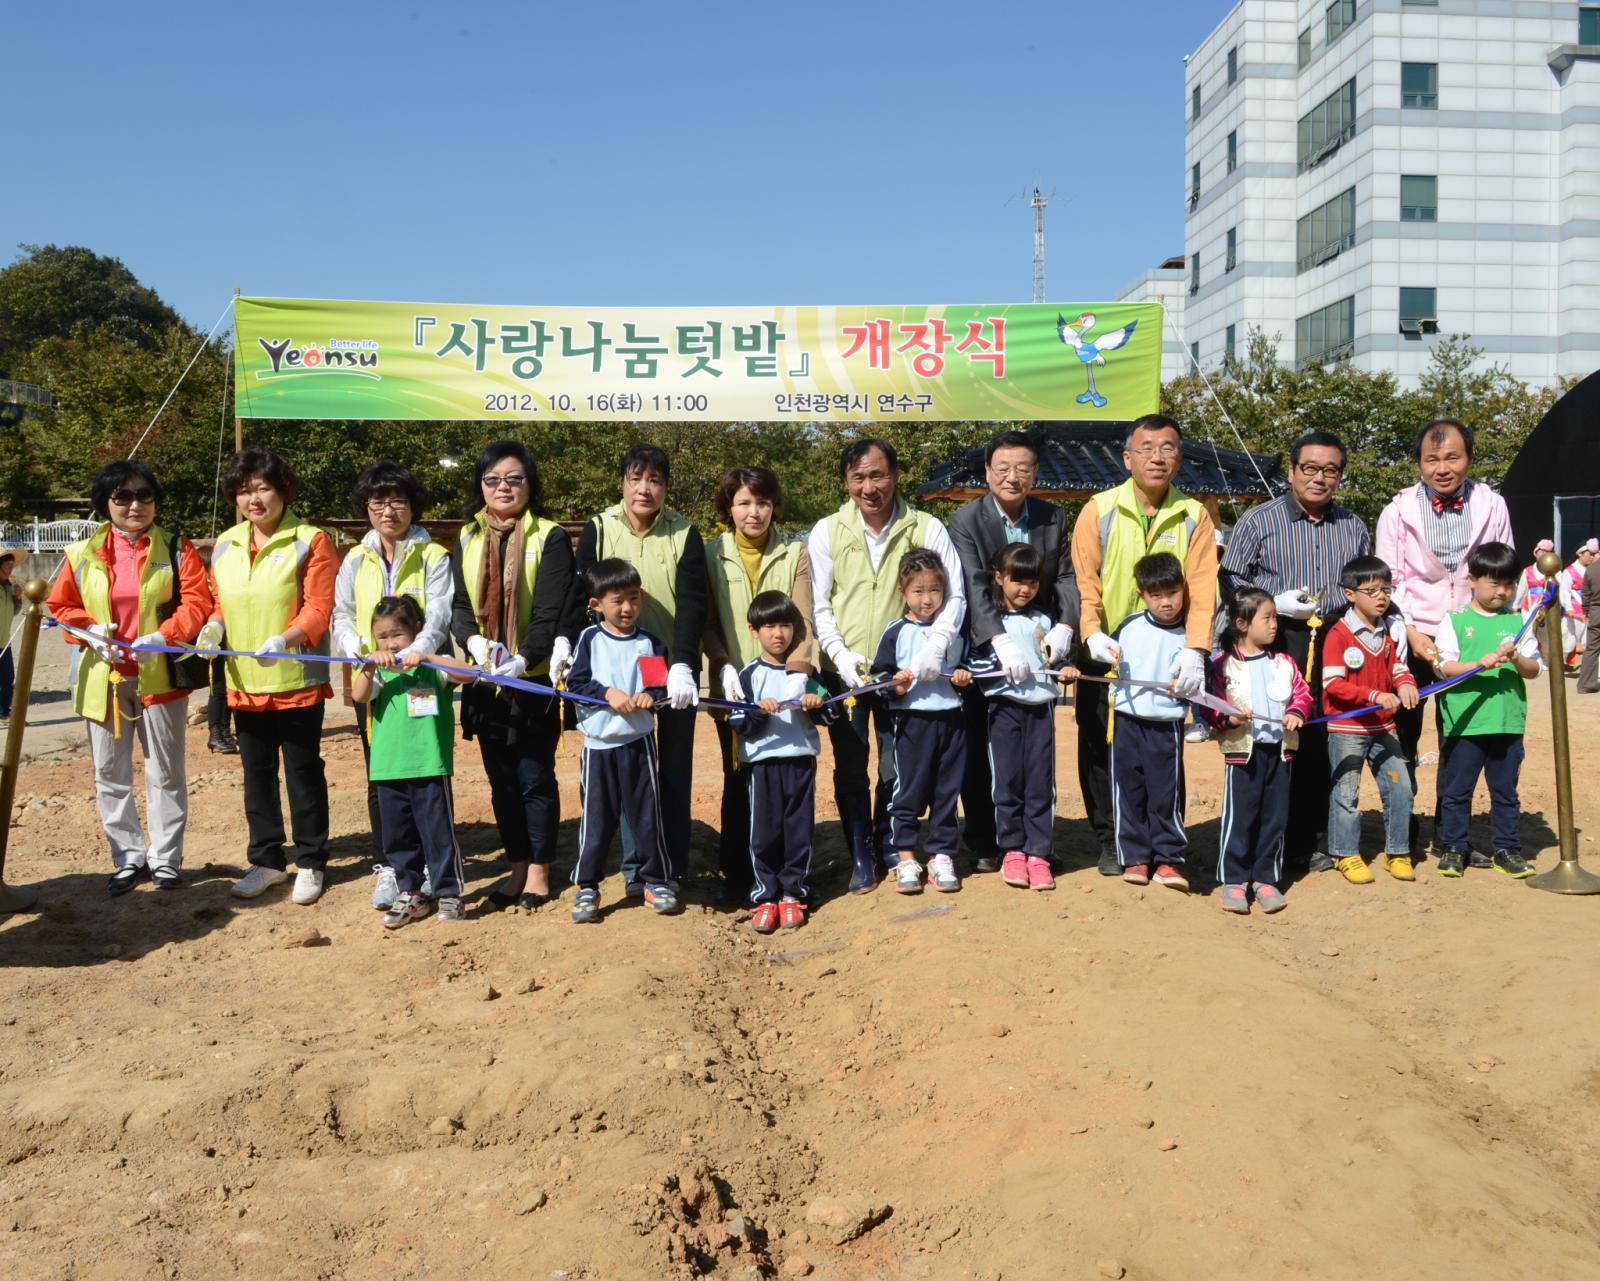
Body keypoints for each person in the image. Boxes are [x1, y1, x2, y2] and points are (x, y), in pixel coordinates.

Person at [46, 460, 213, 894]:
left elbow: (197, 602)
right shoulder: (81, 553)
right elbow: (60, 607)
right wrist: (88, 629)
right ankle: (127, 856)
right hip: (103, 678)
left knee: (167, 770)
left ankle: (166, 859)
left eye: (144, 495)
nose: (135, 504)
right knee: (110, 771)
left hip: (160, 677)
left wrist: (166, 634)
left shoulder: (177, 548)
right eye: (123, 496)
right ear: (106, 503)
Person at [808, 437, 966, 893]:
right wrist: (839, 655)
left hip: (909, 675)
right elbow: (819, 605)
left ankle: (893, 846)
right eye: (858, 477)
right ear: (846, 481)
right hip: (851, 671)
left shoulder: (925, 527)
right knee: (852, 764)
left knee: (897, 768)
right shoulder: (827, 531)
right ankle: (862, 852)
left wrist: (931, 651)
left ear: (895, 476)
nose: (869, 486)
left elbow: (952, 595)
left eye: (878, 475)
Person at [1219, 429, 1370, 876]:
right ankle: (1277, 839)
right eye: (1310, 468)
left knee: (1327, 735)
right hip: (1279, 641)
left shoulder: (1353, 525)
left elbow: (1363, 584)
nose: (1320, 478)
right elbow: (1231, 580)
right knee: (1282, 739)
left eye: (1330, 470)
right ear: (1291, 471)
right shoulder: (1258, 521)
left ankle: (1318, 836)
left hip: (1337, 642)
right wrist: (1272, 600)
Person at [1073, 415, 1217, 877]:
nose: (1158, 457)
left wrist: (1196, 650)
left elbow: (1203, 586)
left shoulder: (1194, 515)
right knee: (1101, 745)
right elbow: (1084, 581)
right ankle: (1112, 838)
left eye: (1169, 447)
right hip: (1107, 650)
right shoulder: (1099, 509)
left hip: (1167, 654)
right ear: (1127, 458)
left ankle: (1164, 843)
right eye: (1147, 447)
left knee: (1162, 748)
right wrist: (1091, 630)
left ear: (1180, 456)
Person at [567, 443, 708, 889]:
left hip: (665, 665)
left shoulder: (684, 532)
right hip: (615, 666)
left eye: (655, 480)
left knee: (672, 767)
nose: (644, 489)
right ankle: (634, 867)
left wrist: (684, 664)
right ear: (623, 483)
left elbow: (691, 604)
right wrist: (566, 644)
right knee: (628, 761)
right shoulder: (599, 527)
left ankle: (671, 865)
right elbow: (581, 594)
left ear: (666, 487)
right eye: (635, 479)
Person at [207, 448, 338, 904]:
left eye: (263, 487)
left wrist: (286, 638)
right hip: (244, 682)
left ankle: (310, 861)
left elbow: (320, 606)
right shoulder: (225, 543)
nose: (254, 499)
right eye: (244, 491)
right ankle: (266, 859)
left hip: (296, 679)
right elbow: (221, 599)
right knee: (256, 774)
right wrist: (214, 625)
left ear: (283, 490)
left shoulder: (311, 539)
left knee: (303, 773)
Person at [1374, 419, 1512, 849]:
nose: (1442, 468)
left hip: (1471, 636)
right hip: (1414, 635)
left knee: (1462, 733)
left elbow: (1505, 568)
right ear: (1419, 462)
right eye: (1431, 459)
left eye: (1452, 457)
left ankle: (1452, 833)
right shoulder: (1398, 511)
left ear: (1469, 457)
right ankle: (1404, 823)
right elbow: (1390, 577)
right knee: (1405, 732)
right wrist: (1412, 631)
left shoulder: (1493, 505)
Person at [946, 430, 1078, 873]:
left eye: (1023, 468)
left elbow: (1063, 577)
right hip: (983, 648)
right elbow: (973, 582)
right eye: (1002, 468)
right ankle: (988, 840)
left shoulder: (1052, 516)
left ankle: (1035, 842)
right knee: (983, 751)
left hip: (1038, 646)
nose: (1012, 476)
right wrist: (996, 639)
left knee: (1035, 754)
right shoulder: (965, 519)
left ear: (1035, 472)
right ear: (987, 472)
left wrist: (1064, 625)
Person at [450, 441, 574, 909]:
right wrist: (474, 643)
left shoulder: (551, 536)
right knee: (500, 778)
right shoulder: (467, 535)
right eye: (493, 480)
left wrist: (523, 661)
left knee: (533, 776)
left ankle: (541, 869)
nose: (503, 488)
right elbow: (459, 607)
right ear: (481, 485)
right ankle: (517, 864)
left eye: (514, 479)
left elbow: (549, 611)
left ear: (530, 484)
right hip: (484, 679)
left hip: (532, 678)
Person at [332, 461, 453, 910]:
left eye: (398, 499)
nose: (388, 510)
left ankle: (431, 867)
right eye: (378, 500)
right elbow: (341, 613)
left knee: (425, 776)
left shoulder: (434, 555)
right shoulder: (354, 558)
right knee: (380, 774)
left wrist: (416, 650)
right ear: (366, 507)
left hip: (419, 677)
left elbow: (439, 612)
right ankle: (393, 867)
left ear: (412, 506)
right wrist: (359, 653)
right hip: (374, 680)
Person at [702, 465, 816, 907]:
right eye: (744, 503)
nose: (754, 512)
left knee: (783, 786)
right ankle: (739, 874)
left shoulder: (795, 552)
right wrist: (724, 665)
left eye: (763, 502)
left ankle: (789, 879)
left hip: (784, 685)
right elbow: (709, 623)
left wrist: (799, 670)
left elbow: (803, 615)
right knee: (738, 779)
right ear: (729, 508)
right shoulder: (712, 553)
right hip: (736, 687)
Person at [563, 558, 678, 922]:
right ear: (596, 604)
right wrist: (609, 692)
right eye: (617, 600)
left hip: (639, 745)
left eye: (633, 598)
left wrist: (649, 694)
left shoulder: (650, 643)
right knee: (596, 821)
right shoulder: (589, 639)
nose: (627, 608)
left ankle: (656, 880)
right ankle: (587, 887)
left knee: (646, 817)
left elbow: (659, 686)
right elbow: (576, 684)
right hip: (598, 749)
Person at [350, 596, 476, 927]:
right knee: (398, 835)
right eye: (383, 637)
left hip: (429, 766)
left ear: (415, 630)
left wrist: (429, 656)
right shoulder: (379, 671)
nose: (390, 643)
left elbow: (471, 674)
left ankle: (450, 893)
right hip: (388, 768)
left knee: (437, 833)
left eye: (397, 635)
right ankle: (410, 892)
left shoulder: (434, 666)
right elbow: (358, 695)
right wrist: (368, 664)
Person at [966, 544, 1079, 892]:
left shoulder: (1045, 621)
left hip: (1041, 712)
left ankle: (1040, 852)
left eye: (1032, 582)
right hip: (1003, 711)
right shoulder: (989, 624)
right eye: (1017, 580)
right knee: (1007, 781)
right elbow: (974, 664)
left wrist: (1065, 668)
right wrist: (998, 668)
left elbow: (1052, 661)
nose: (1024, 589)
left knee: (1040, 782)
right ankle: (1012, 850)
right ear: (999, 578)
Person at [725, 591, 837, 933]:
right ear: (753, 630)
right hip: (763, 768)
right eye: (770, 626)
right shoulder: (748, 675)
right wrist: (758, 712)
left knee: (798, 829)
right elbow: (737, 723)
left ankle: (794, 893)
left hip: (800, 763)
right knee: (764, 833)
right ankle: (765, 895)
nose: (778, 634)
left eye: (786, 625)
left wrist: (815, 705)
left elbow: (832, 713)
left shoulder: (805, 671)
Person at [1432, 543, 1541, 879]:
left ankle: (1507, 848)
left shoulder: (1519, 620)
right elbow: (1442, 665)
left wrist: (1517, 658)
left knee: (1505, 791)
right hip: (1466, 721)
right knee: (1457, 790)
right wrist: (1476, 664)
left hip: (1507, 721)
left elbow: (1535, 668)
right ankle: (1454, 846)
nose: (1503, 591)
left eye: (1509, 584)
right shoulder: (1455, 620)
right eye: (1495, 583)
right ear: (1473, 580)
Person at [870, 549, 973, 895]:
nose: (927, 599)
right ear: (903, 593)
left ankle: (941, 854)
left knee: (947, 792)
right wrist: (895, 685)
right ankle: (906, 856)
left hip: (952, 722)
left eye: (934, 590)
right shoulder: (896, 631)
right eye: (918, 591)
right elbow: (879, 677)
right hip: (911, 725)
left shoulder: (954, 630)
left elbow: (972, 667)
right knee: (909, 791)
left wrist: (963, 676)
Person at [1207, 589, 1312, 914]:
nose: (1273, 625)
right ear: (1242, 623)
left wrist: (1296, 712)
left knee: (1274, 818)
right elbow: (1211, 705)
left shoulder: (1284, 663)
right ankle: (1234, 880)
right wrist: (1228, 716)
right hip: (1243, 756)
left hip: (1280, 754)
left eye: (1274, 618)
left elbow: (1302, 693)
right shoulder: (1224, 666)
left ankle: (1266, 878)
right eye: (1266, 618)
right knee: (1241, 818)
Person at [1321, 556, 1419, 885]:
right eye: (1372, 590)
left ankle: (1399, 852)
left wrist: (1406, 684)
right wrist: (1375, 696)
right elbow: (1332, 685)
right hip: (1346, 729)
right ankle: (1345, 854)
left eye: (1386, 589)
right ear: (1350, 594)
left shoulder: (1387, 631)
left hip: (1383, 728)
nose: (1382, 596)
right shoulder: (1338, 634)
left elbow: (1397, 668)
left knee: (1400, 786)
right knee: (1346, 793)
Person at [1103, 552, 1193, 892]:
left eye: (1172, 593)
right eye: (1156, 595)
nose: (1166, 602)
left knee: (1164, 794)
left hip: (1166, 725)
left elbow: (1201, 678)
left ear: (1183, 589)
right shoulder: (1129, 627)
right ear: (1142, 594)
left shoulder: (1190, 632)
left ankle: (1169, 859)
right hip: (1126, 722)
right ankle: (1135, 856)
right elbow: (1109, 663)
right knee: (1129, 791)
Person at [0, 551, 19, 724]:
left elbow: (14, 612)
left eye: (12, 564)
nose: (11, 568)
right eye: (8, 564)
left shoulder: (8, 586)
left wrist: (18, 598)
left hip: (4, 640)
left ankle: (4, 711)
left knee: (7, 679)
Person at [1581, 549, 1600, 694]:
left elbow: (1585, 594)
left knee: (1592, 649)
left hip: (1596, 612)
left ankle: (1586, 683)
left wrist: (1586, 611)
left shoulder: (1591, 569)